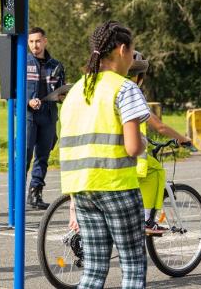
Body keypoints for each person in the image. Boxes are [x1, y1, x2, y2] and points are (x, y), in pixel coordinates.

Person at [59, 21, 148, 289]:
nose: (133, 58)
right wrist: (142, 140)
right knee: (132, 265)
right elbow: (133, 148)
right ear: (122, 50)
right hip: (117, 186)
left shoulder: (75, 91)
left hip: (82, 189)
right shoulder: (125, 88)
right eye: (132, 52)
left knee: (94, 269)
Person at [128, 50, 193, 235]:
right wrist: (184, 140)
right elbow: (159, 126)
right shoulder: (132, 91)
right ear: (140, 76)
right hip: (129, 153)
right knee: (155, 170)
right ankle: (147, 220)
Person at [25, 27, 66, 210]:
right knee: (25, 156)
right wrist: (28, 102)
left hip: (48, 116)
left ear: (45, 41)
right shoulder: (22, 62)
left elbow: (62, 89)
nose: (35, 45)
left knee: (43, 156)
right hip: (29, 116)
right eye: (32, 41)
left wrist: (62, 97)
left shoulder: (56, 65)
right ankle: (18, 194)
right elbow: (14, 92)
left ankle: (35, 194)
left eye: (38, 41)